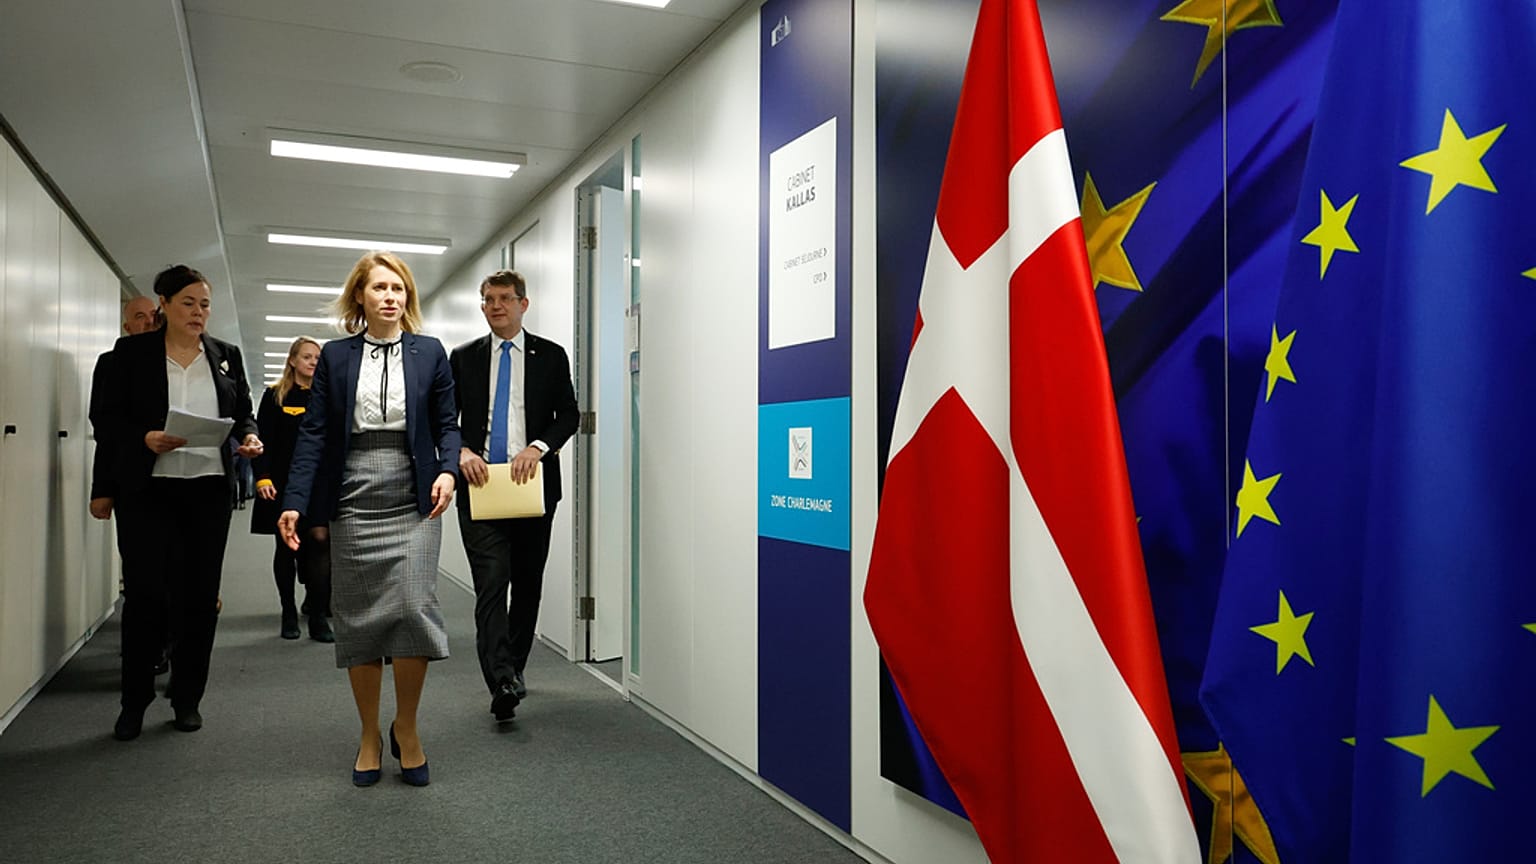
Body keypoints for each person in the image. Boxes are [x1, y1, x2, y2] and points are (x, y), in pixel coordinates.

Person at [279, 251, 460, 787]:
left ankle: (406, 727)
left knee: (411, 607)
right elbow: (313, 434)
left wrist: (448, 470)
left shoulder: (430, 352)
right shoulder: (335, 357)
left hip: (415, 490)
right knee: (359, 617)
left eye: (399, 288)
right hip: (354, 489)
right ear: (360, 296)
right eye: (379, 287)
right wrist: (294, 499)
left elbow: (447, 424)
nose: (390, 297)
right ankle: (367, 733)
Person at [92, 265, 263, 740]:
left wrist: (248, 438)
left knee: (199, 600)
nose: (198, 312)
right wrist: (143, 438)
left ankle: (187, 697)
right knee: (146, 596)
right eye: (188, 303)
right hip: (149, 492)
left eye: (205, 304)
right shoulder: (130, 354)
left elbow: (243, 413)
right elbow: (106, 421)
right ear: (163, 304)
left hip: (207, 491)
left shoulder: (224, 357)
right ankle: (134, 700)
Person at [450, 269, 578, 722]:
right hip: (481, 487)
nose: (496, 306)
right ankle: (500, 678)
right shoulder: (463, 357)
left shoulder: (551, 356)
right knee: (491, 582)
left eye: (505, 298)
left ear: (524, 304)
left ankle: (515, 667)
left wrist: (539, 447)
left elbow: (570, 415)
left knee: (527, 583)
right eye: (488, 299)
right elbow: (446, 420)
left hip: (531, 486)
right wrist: (461, 450)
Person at [251, 337, 332, 642]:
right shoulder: (275, 396)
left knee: (320, 540)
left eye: (317, 358)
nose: (313, 362)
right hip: (282, 483)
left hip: (319, 483)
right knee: (286, 546)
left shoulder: (326, 396)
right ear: (293, 361)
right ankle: (288, 612)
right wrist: (262, 477)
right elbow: (262, 442)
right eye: (307, 357)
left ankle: (318, 613)